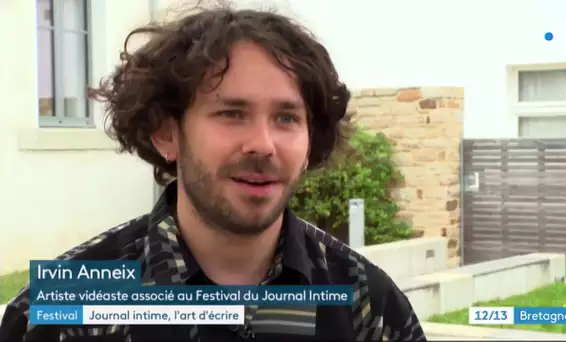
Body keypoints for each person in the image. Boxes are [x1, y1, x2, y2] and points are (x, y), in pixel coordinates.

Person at [0, 5, 427, 342]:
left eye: (286, 118)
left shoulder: (368, 305)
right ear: (168, 134)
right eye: (231, 113)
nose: (263, 143)